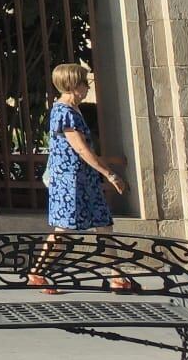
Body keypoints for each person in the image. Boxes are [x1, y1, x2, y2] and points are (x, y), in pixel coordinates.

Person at [30, 61, 134, 293]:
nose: (87, 88)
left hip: (84, 180)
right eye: (83, 83)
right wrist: (110, 174)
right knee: (63, 230)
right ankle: (37, 272)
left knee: (104, 225)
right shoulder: (64, 112)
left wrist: (110, 162)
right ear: (72, 85)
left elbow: (83, 149)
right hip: (70, 182)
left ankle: (116, 276)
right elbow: (80, 149)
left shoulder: (73, 110)